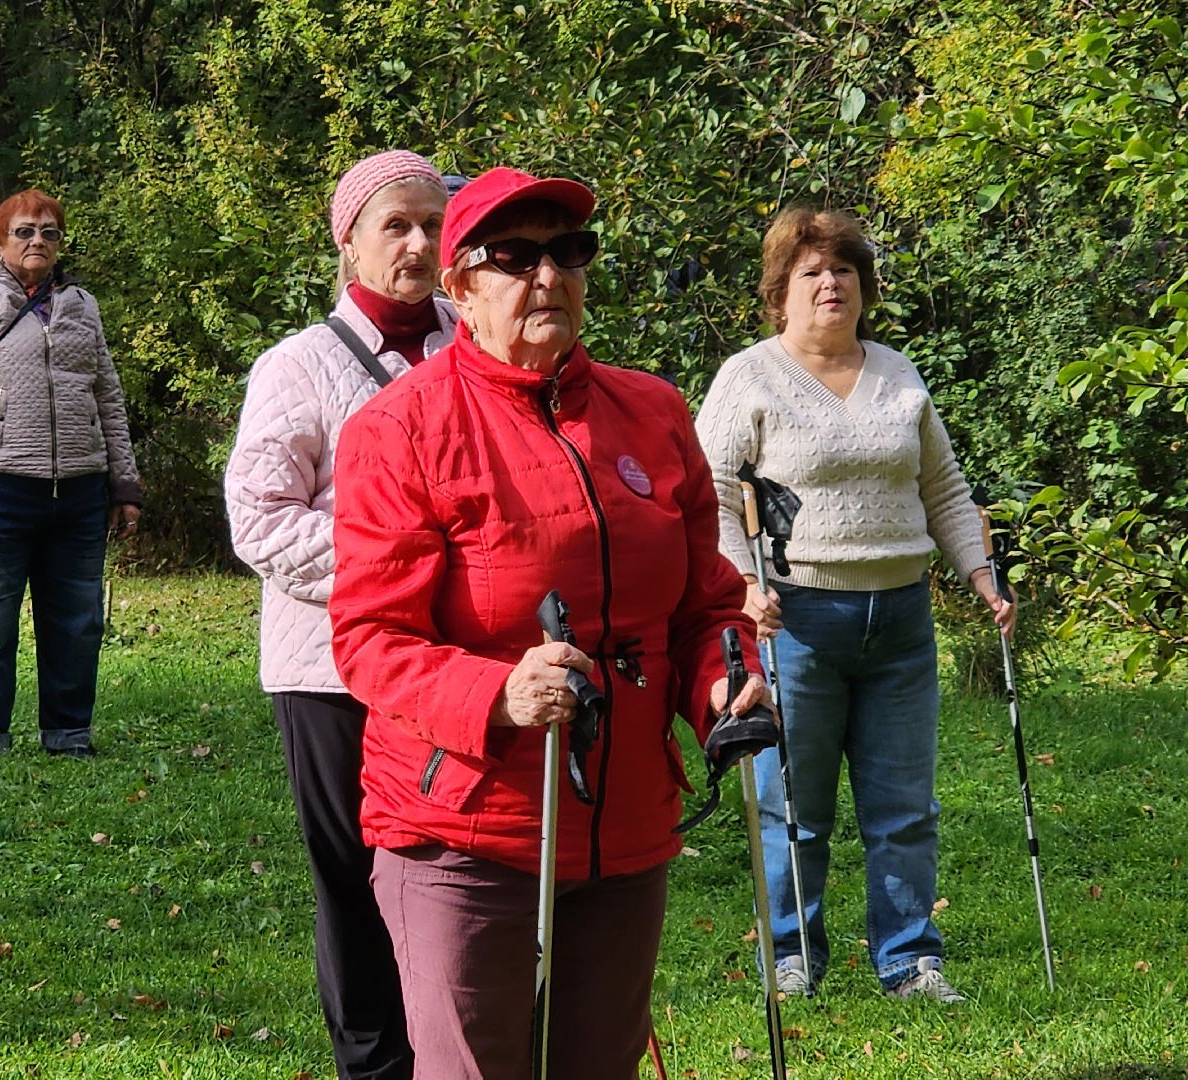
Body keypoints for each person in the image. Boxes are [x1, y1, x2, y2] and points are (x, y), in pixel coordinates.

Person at [328, 166, 771, 1079]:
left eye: (569, 252)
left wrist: (724, 679)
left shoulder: (651, 412)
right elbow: (370, 639)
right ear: (460, 287)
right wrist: (498, 690)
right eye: (514, 256)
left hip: (623, 821)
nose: (548, 275)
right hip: (465, 827)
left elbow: (703, 606)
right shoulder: (399, 427)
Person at [695, 207, 1016, 1003]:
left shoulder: (899, 374)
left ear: (864, 288)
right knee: (793, 804)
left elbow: (941, 487)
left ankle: (910, 961)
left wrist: (980, 573)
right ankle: (794, 955)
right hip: (798, 619)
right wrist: (742, 589)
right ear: (781, 294)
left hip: (901, 619)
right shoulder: (750, 377)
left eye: (843, 270)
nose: (830, 284)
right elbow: (704, 493)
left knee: (904, 805)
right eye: (811, 273)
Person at [224, 150, 457, 1080]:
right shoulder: (301, 365)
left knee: (452, 876)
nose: (416, 243)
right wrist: (402, 568)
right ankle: (373, 1063)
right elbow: (261, 519)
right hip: (328, 670)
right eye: (394, 225)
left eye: (433, 225)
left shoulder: (480, 349)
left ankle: (454, 1048)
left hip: (459, 666)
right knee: (356, 878)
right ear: (349, 241)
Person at [0, 189, 143, 759]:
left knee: (76, 623)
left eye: (49, 231)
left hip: (78, 493)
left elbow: (108, 399)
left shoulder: (82, 307)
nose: (38, 241)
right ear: (0, 241)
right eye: (24, 231)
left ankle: (68, 735)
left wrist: (124, 484)